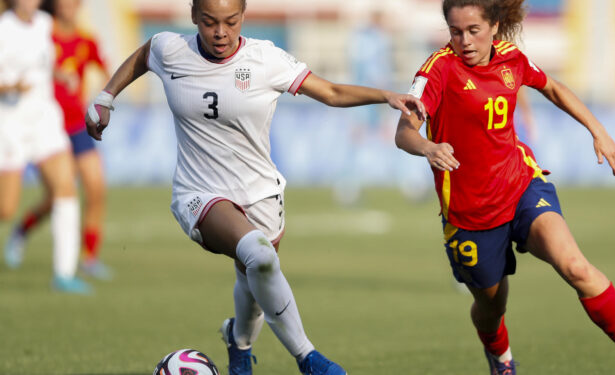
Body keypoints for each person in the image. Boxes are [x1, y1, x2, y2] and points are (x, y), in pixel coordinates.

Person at [84, 0, 425, 374]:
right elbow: (143, 55)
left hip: (261, 191)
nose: (220, 32)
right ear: (194, 14)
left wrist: (386, 96)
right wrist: (106, 97)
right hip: (199, 192)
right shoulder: (171, 49)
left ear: (243, 17)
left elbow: (330, 92)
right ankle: (308, 358)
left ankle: (239, 343)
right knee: (259, 256)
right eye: (210, 22)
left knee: (255, 279)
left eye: (230, 22)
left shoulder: (266, 59)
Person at [394, 1, 615, 374]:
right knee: (491, 308)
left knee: (576, 266)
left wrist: (598, 131)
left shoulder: (512, 59)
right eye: (455, 31)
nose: (463, 40)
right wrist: (428, 147)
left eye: (473, 30)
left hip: (522, 187)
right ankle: (500, 359)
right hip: (471, 215)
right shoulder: (437, 71)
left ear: (494, 26)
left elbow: (554, 88)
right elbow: (404, 133)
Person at [5, 0, 111, 280]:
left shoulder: (75, 37)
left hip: (68, 124)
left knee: (90, 187)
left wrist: (105, 98)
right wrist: (13, 86)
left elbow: (105, 70)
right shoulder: (24, 29)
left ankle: (81, 263)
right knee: (35, 202)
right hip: (26, 124)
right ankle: (21, 230)